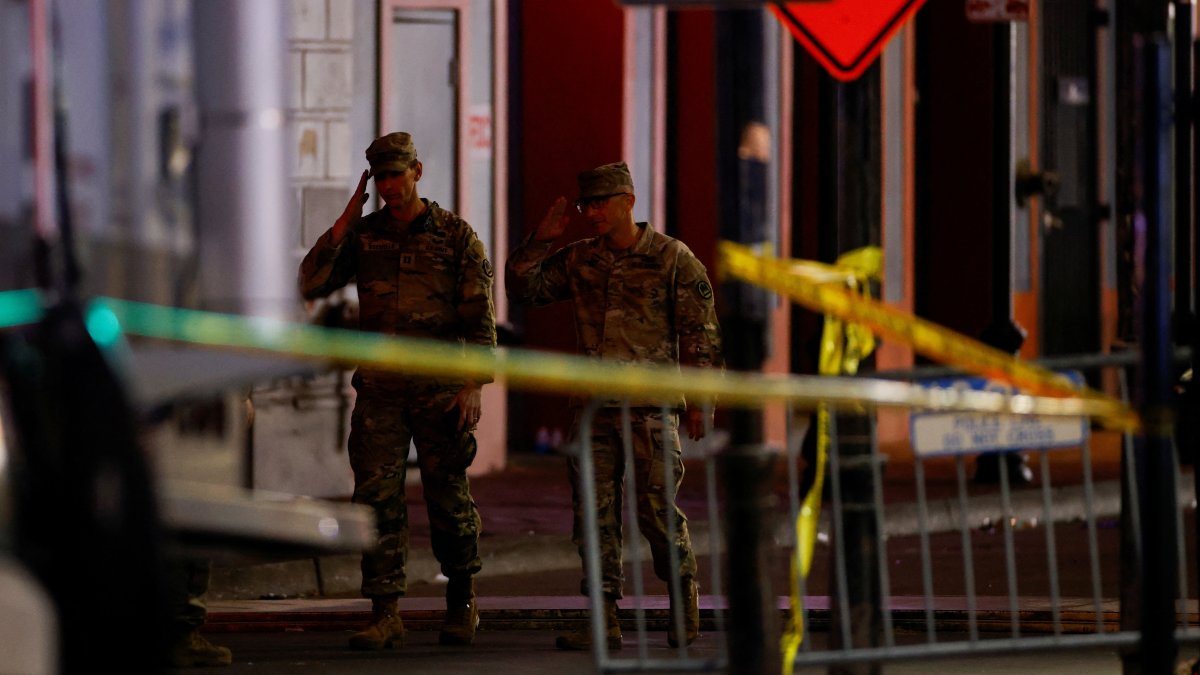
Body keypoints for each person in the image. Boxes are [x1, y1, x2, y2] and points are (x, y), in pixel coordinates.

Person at [505, 161, 723, 650]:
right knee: (595, 515)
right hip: (593, 412)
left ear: (629, 201)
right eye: (587, 205)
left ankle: (683, 598)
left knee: (656, 511)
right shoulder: (581, 259)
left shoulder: (672, 258)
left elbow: (702, 333)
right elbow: (524, 289)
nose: (593, 213)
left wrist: (702, 400)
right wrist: (540, 240)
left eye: (602, 203)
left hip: (650, 408)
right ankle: (604, 618)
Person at [299, 131, 496, 649]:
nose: (389, 185)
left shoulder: (456, 237)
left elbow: (481, 321)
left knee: (447, 499)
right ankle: (386, 612)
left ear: (418, 171)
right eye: (380, 177)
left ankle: (463, 602)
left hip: (440, 392)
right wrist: (343, 222)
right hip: (382, 393)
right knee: (376, 501)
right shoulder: (364, 236)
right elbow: (309, 282)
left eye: (396, 174)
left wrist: (474, 383)